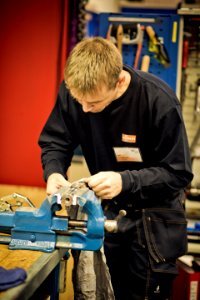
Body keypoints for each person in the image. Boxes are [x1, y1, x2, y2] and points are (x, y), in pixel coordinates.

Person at [38, 37, 193, 300]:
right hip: (105, 216)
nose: (85, 110)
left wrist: (126, 181)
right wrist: (54, 172)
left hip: (153, 225)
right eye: (79, 101)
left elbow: (178, 173)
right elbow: (56, 141)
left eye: (94, 103)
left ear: (119, 81)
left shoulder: (159, 101)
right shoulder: (75, 92)